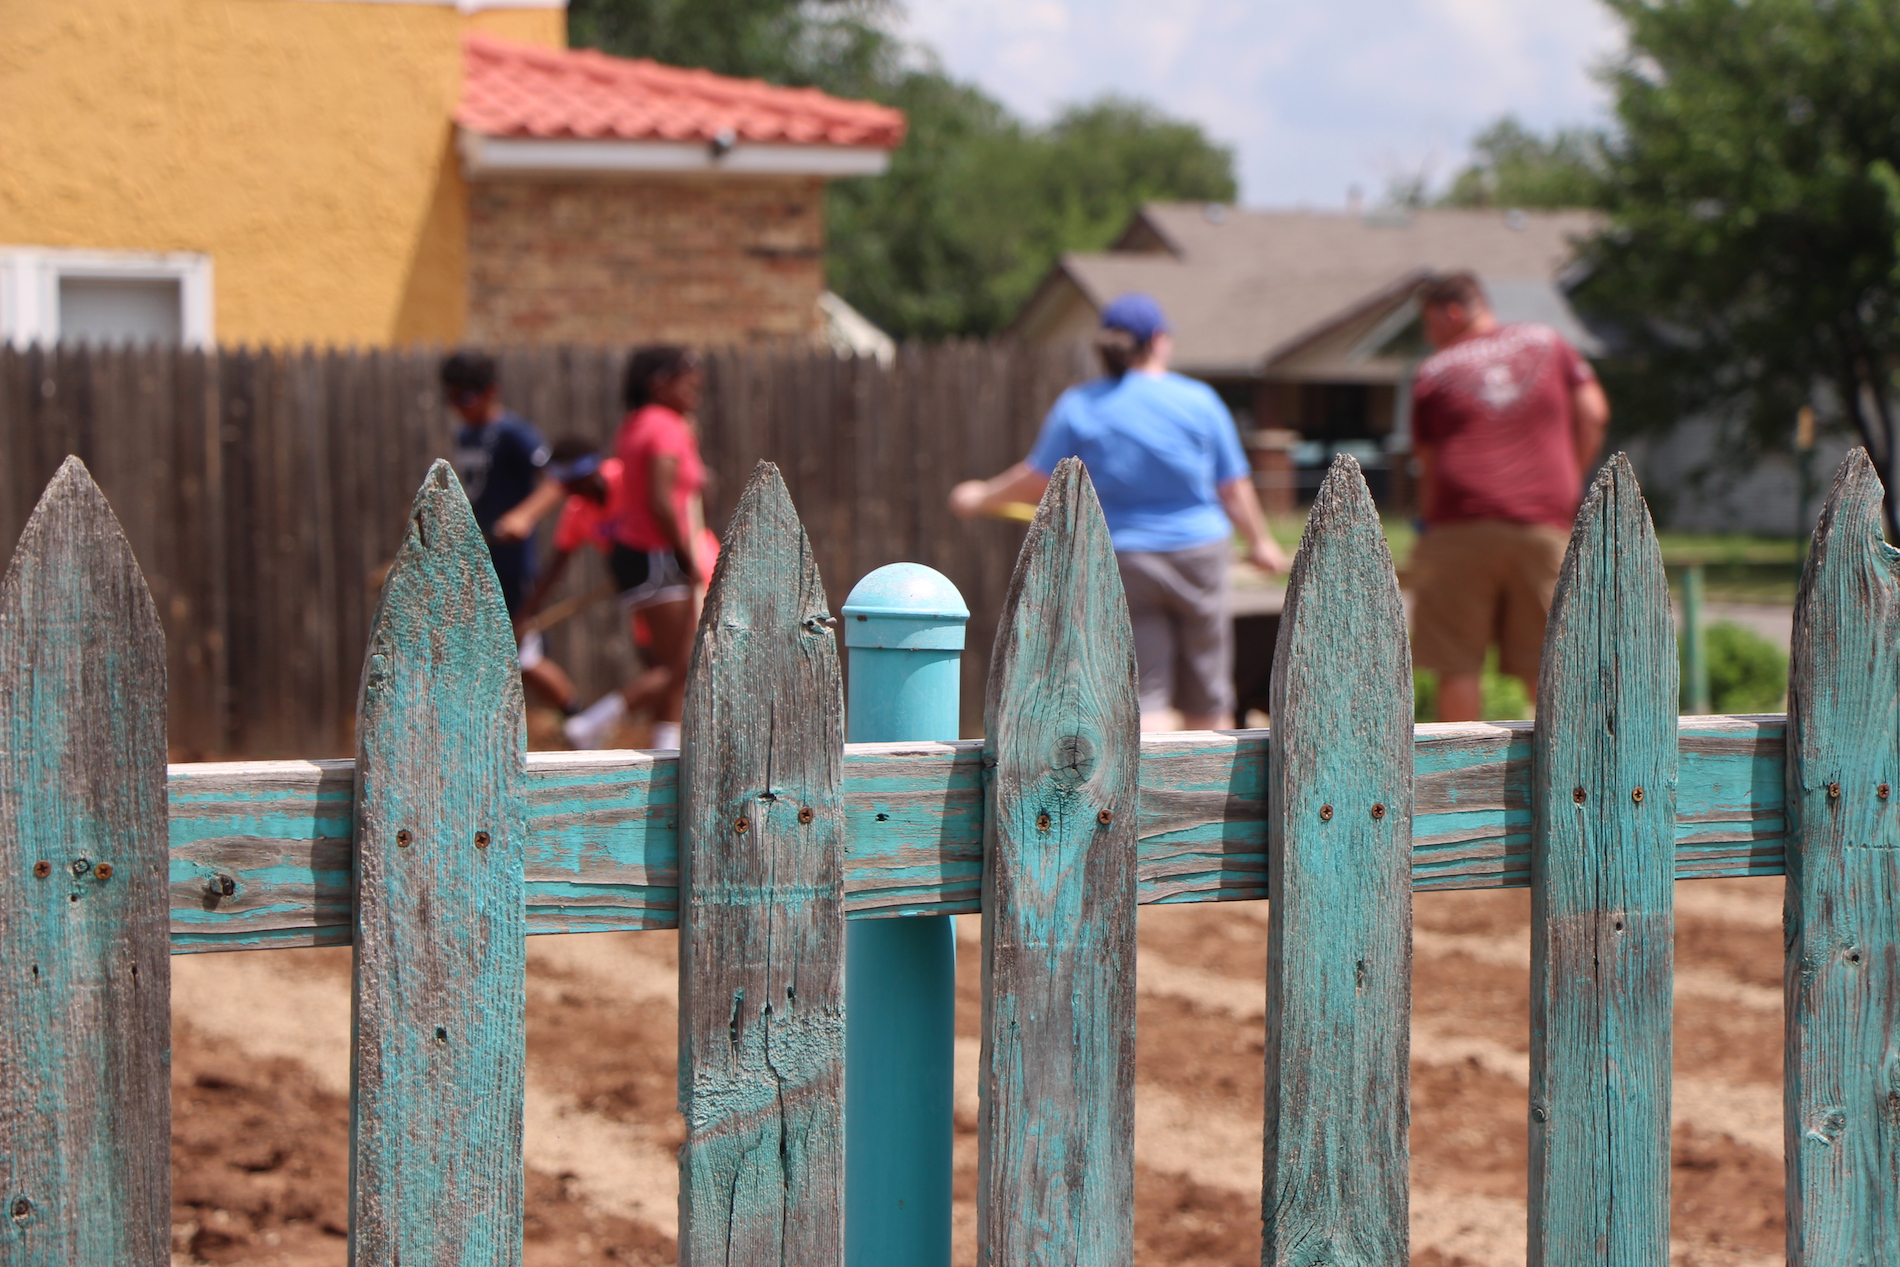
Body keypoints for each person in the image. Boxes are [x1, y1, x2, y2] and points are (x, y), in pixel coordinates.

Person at [949, 293, 1289, 730]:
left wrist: (979, 497)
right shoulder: (1199, 401)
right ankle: (1212, 793)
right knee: (1208, 686)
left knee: (1147, 688)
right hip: (1200, 554)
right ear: (1159, 341)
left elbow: (1036, 479)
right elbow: (1232, 485)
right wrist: (1260, 542)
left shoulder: (1081, 405)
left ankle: (1151, 793)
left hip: (1125, 558)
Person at [1407, 271, 1610, 722]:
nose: (1428, 334)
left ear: (1452, 312)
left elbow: (1428, 462)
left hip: (1458, 529)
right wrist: (1566, 483)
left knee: (1457, 666)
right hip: (1541, 524)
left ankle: (1458, 781)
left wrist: (1424, 526)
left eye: (1429, 322)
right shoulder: (1548, 341)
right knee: (1551, 662)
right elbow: (1594, 413)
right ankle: (1571, 775)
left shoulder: (1433, 370)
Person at [562, 346, 710, 751]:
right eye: (687, 375)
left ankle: (666, 748)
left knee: (673, 666)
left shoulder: (635, 424)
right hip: (658, 554)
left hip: (634, 554)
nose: (696, 383)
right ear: (659, 383)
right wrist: (685, 554)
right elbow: (663, 501)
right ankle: (591, 723)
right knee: (683, 664)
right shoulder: (665, 426)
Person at [440, 350, 581, 715]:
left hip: (513, 566)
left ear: (491, 392)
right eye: (451, 398)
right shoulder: (468, 434)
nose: (458, 407)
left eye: (465, 398)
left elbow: (559, 478)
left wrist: (524, 515)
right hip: (481, 560)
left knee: (524, 656)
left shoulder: (515, 434)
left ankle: (581, 721)